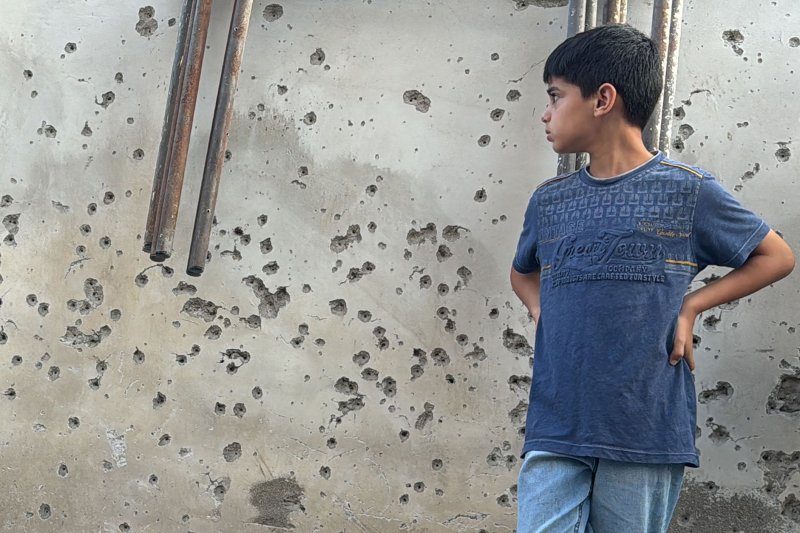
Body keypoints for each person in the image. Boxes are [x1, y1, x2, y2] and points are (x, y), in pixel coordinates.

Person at [509, 23, 795, 533]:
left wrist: (691, 307)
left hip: (643, 424)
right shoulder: (549, 201)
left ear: (603, 99)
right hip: (558, 421)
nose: (545, 113)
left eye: (555, 96)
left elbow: (775, 256)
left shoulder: (688, 192)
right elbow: (522, 273)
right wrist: (540, 309)